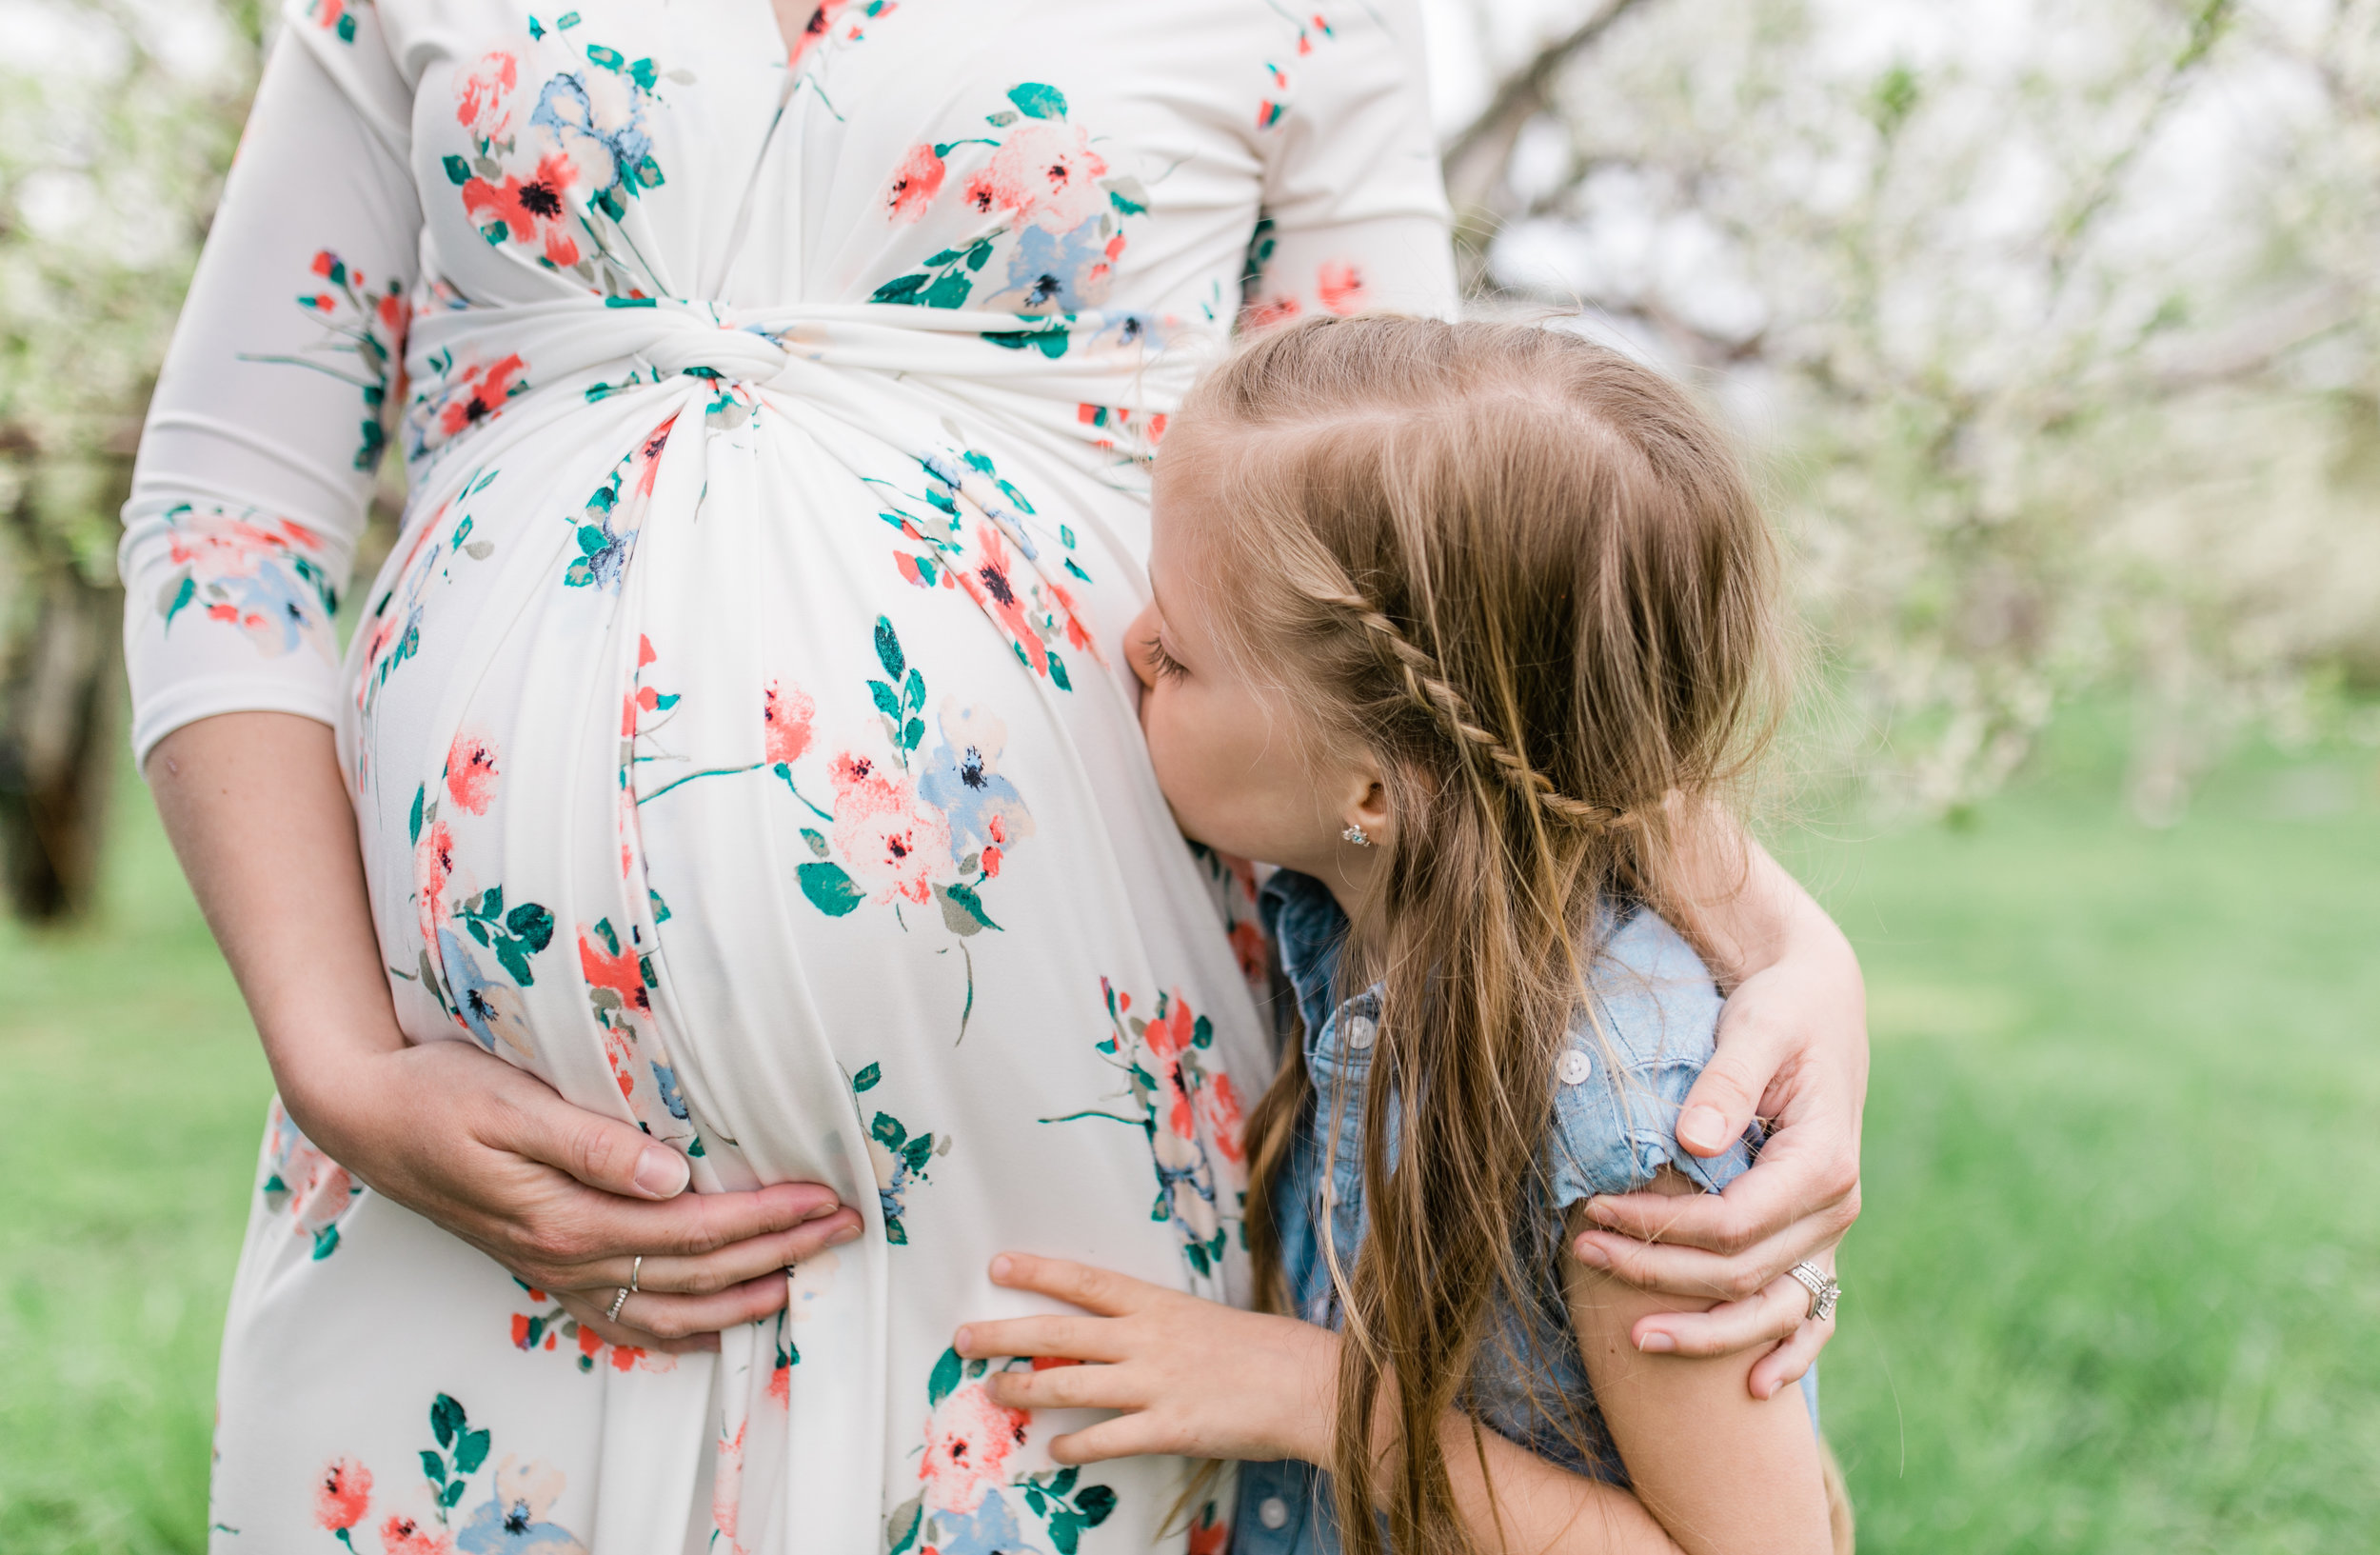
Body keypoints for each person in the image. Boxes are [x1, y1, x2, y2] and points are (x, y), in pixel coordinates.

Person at [125, 2, 1864, 1549]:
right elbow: (230, 507)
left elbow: (1459, 566)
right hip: (465, 1194)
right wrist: (342, 1060)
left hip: (1047, 1212)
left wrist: (1790, 956)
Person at [952, 315, 1854, 1554]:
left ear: (1372, 791)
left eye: (1187, 649)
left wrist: (1313, 1393)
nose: (1133, 646)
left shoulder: (1623, 1117)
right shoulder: (1361, 917)